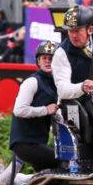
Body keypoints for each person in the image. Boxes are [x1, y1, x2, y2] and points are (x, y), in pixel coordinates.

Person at [9, 41, 59, 171]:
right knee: (62, 162)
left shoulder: (54, 83)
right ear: (38, 61)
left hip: (37, 142)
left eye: (51, 58)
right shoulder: (32, 81)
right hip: (25, 143)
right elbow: (19, 110)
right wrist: (45, 110)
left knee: (48, 177)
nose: (48, 61)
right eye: (44, 58)